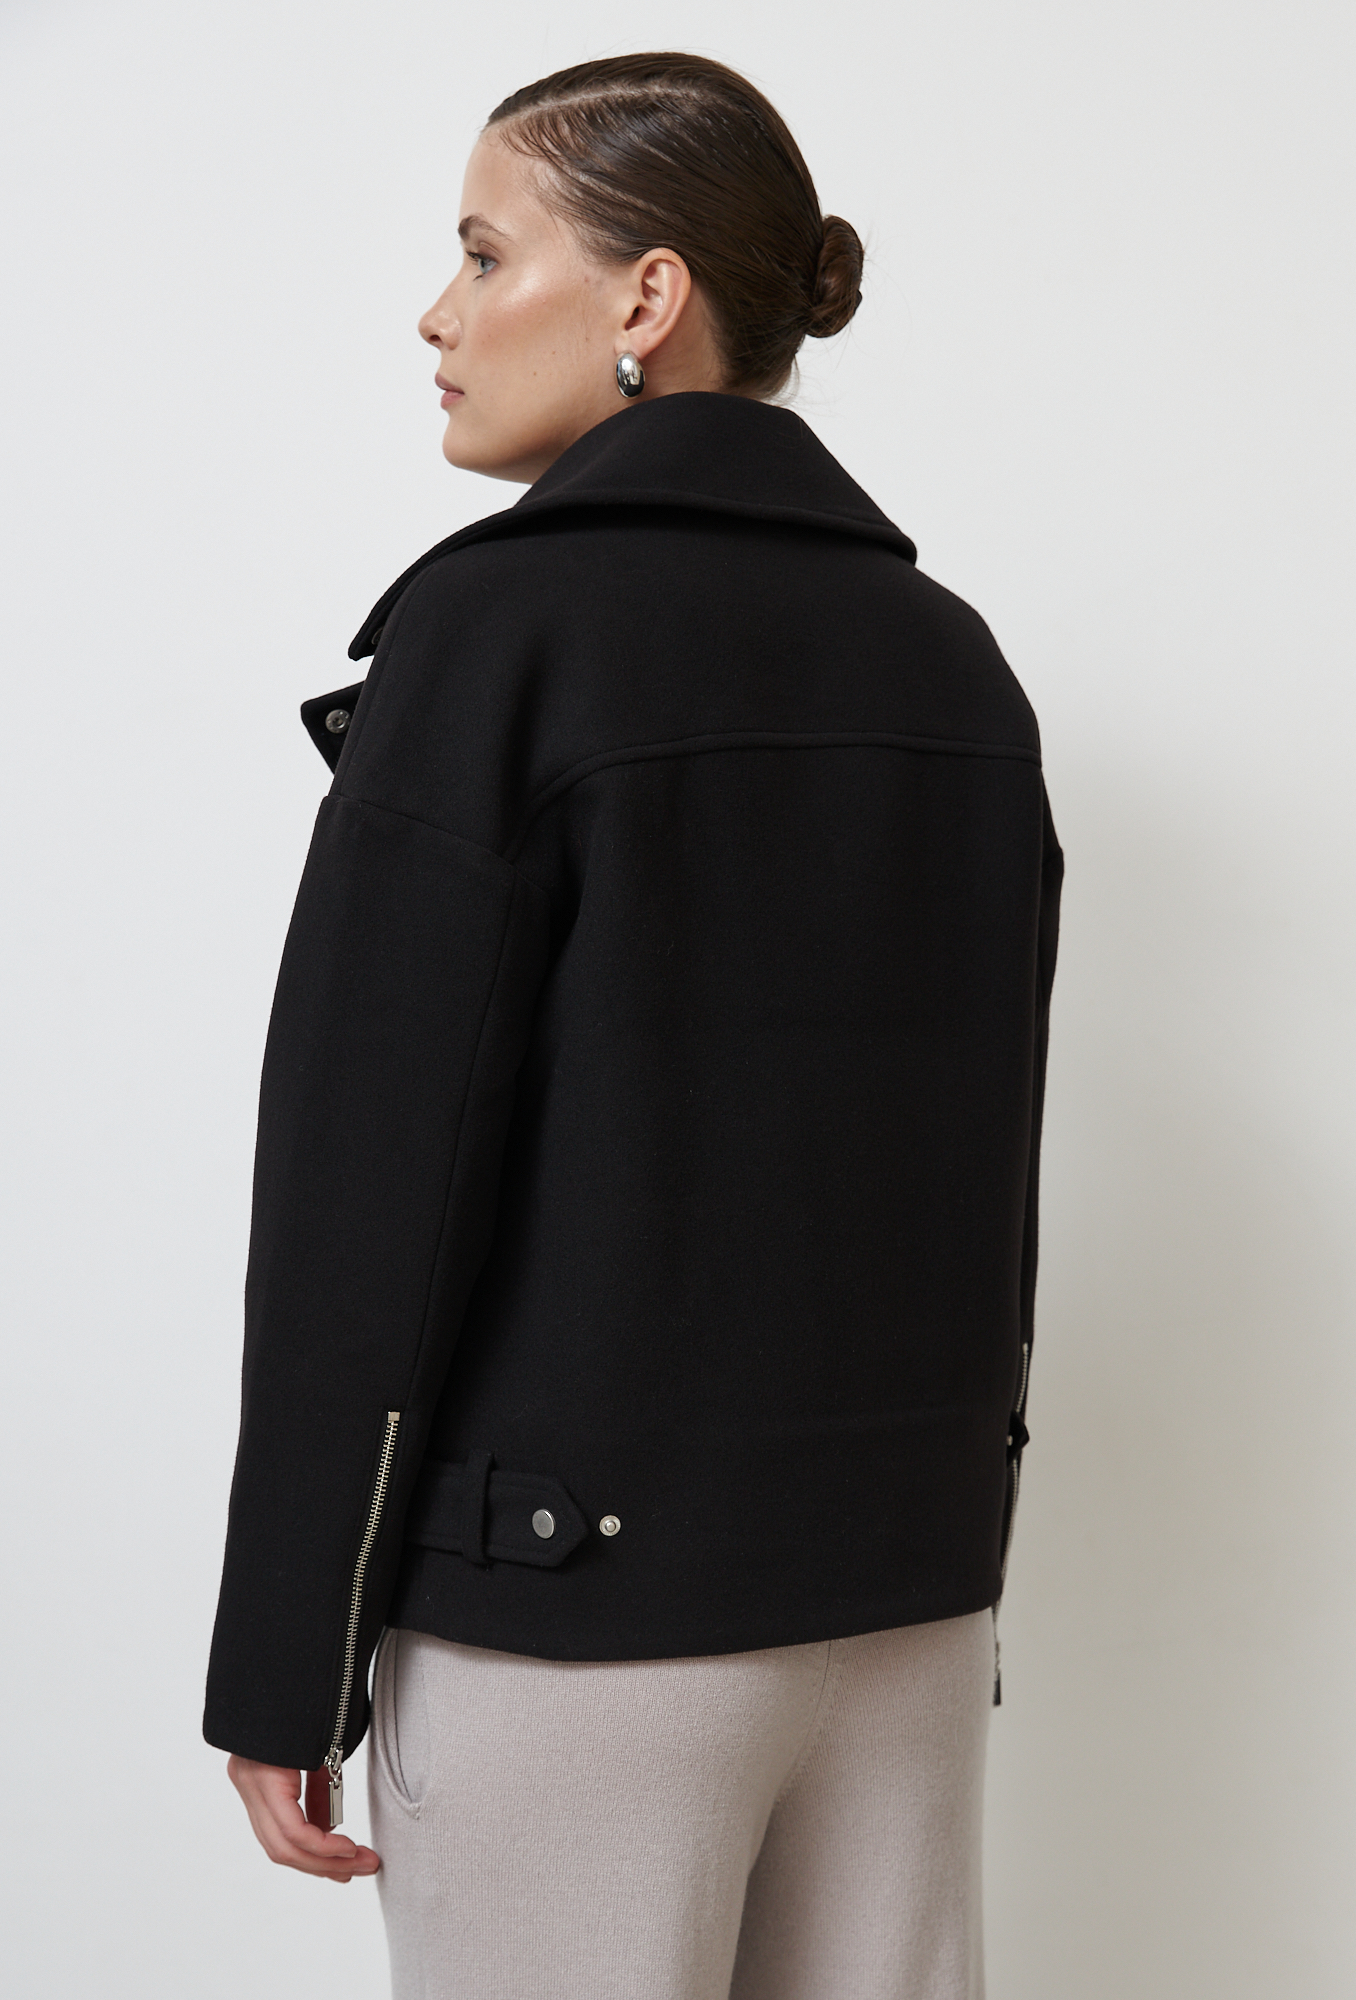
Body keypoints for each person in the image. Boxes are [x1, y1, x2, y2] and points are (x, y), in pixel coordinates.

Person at [204, 51, 1062, 2000]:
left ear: (647, 298)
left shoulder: (499, 636)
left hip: (576, 1619)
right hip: (909, 1610)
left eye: (483, 251)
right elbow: (980, 1164)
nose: (437, 314)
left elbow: (369, 1176)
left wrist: (285, 1652)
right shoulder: (955, 665)